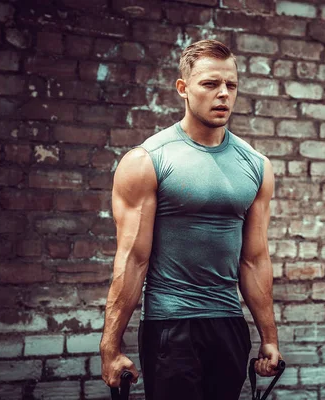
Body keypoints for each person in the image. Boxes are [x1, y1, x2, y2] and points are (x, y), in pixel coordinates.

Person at [99, 39, 281, 400]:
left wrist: (270, 338)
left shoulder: (257, 166)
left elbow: (255, 258)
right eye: (210, 84)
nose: (223, 94)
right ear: (183, 88)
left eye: (231, 85)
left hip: (229, 324)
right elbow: (133, 260)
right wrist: (111, 344)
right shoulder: (147, 160)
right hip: (171, 325)